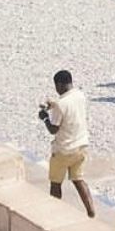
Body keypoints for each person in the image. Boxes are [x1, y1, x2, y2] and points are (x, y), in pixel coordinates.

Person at [39, 70, 95, 218]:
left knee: (55, 183)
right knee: (78, 180)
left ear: (60, 84)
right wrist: (55, 104)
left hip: (64, 150)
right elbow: (69, 109)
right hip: (81, 146)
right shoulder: (80, 95)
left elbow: (53, 129)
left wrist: (45, 118)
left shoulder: (61, 105)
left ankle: (55, 213)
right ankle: (91, 211)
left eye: (56, 86)